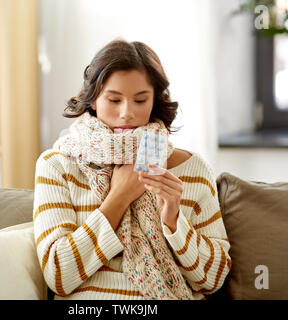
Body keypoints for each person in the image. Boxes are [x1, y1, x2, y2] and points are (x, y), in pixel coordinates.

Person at [32, 39, 231, 300]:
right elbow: (58, 275)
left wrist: (173, 223)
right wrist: (120, 196)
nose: (127, 113)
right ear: (92, 100)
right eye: (114, 100)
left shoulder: (192, 168)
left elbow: (214, 279)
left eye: (140, 100)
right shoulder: (57, 165)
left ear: (154, 101)